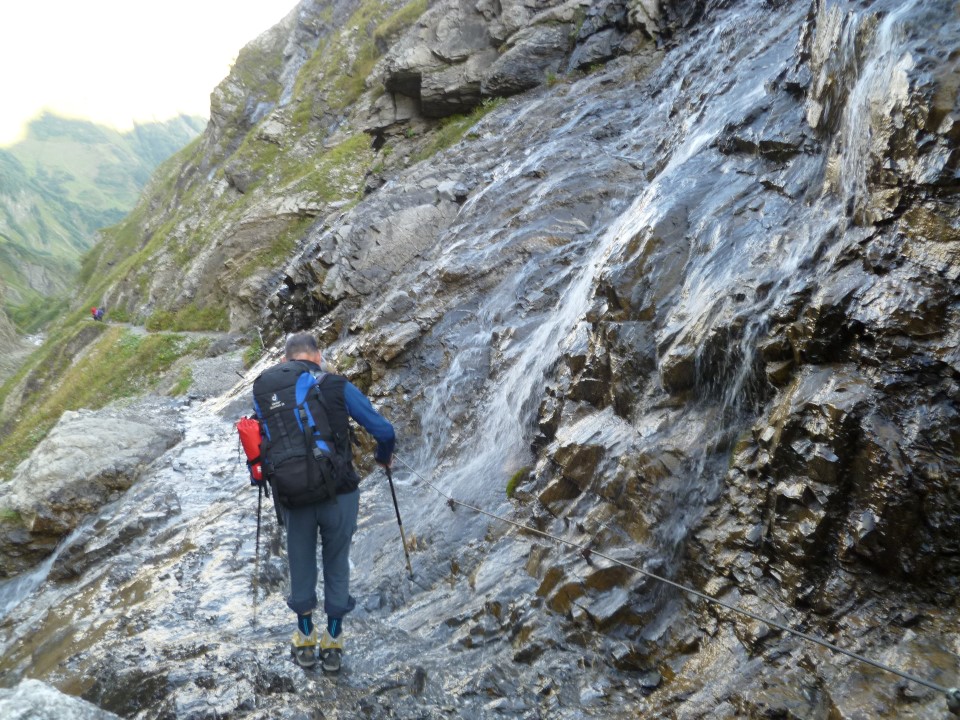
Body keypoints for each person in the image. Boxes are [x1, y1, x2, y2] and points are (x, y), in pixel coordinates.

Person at [269, 332, 395, 672]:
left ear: (285, 360)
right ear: (318, 356)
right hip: (340, 493)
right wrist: (383, 457)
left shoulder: (271, 392)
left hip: (293, 495)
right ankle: (333, 644)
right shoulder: (337, 385)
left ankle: (305, 640)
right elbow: (384, 431)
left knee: (300, 562)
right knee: (336, 562)